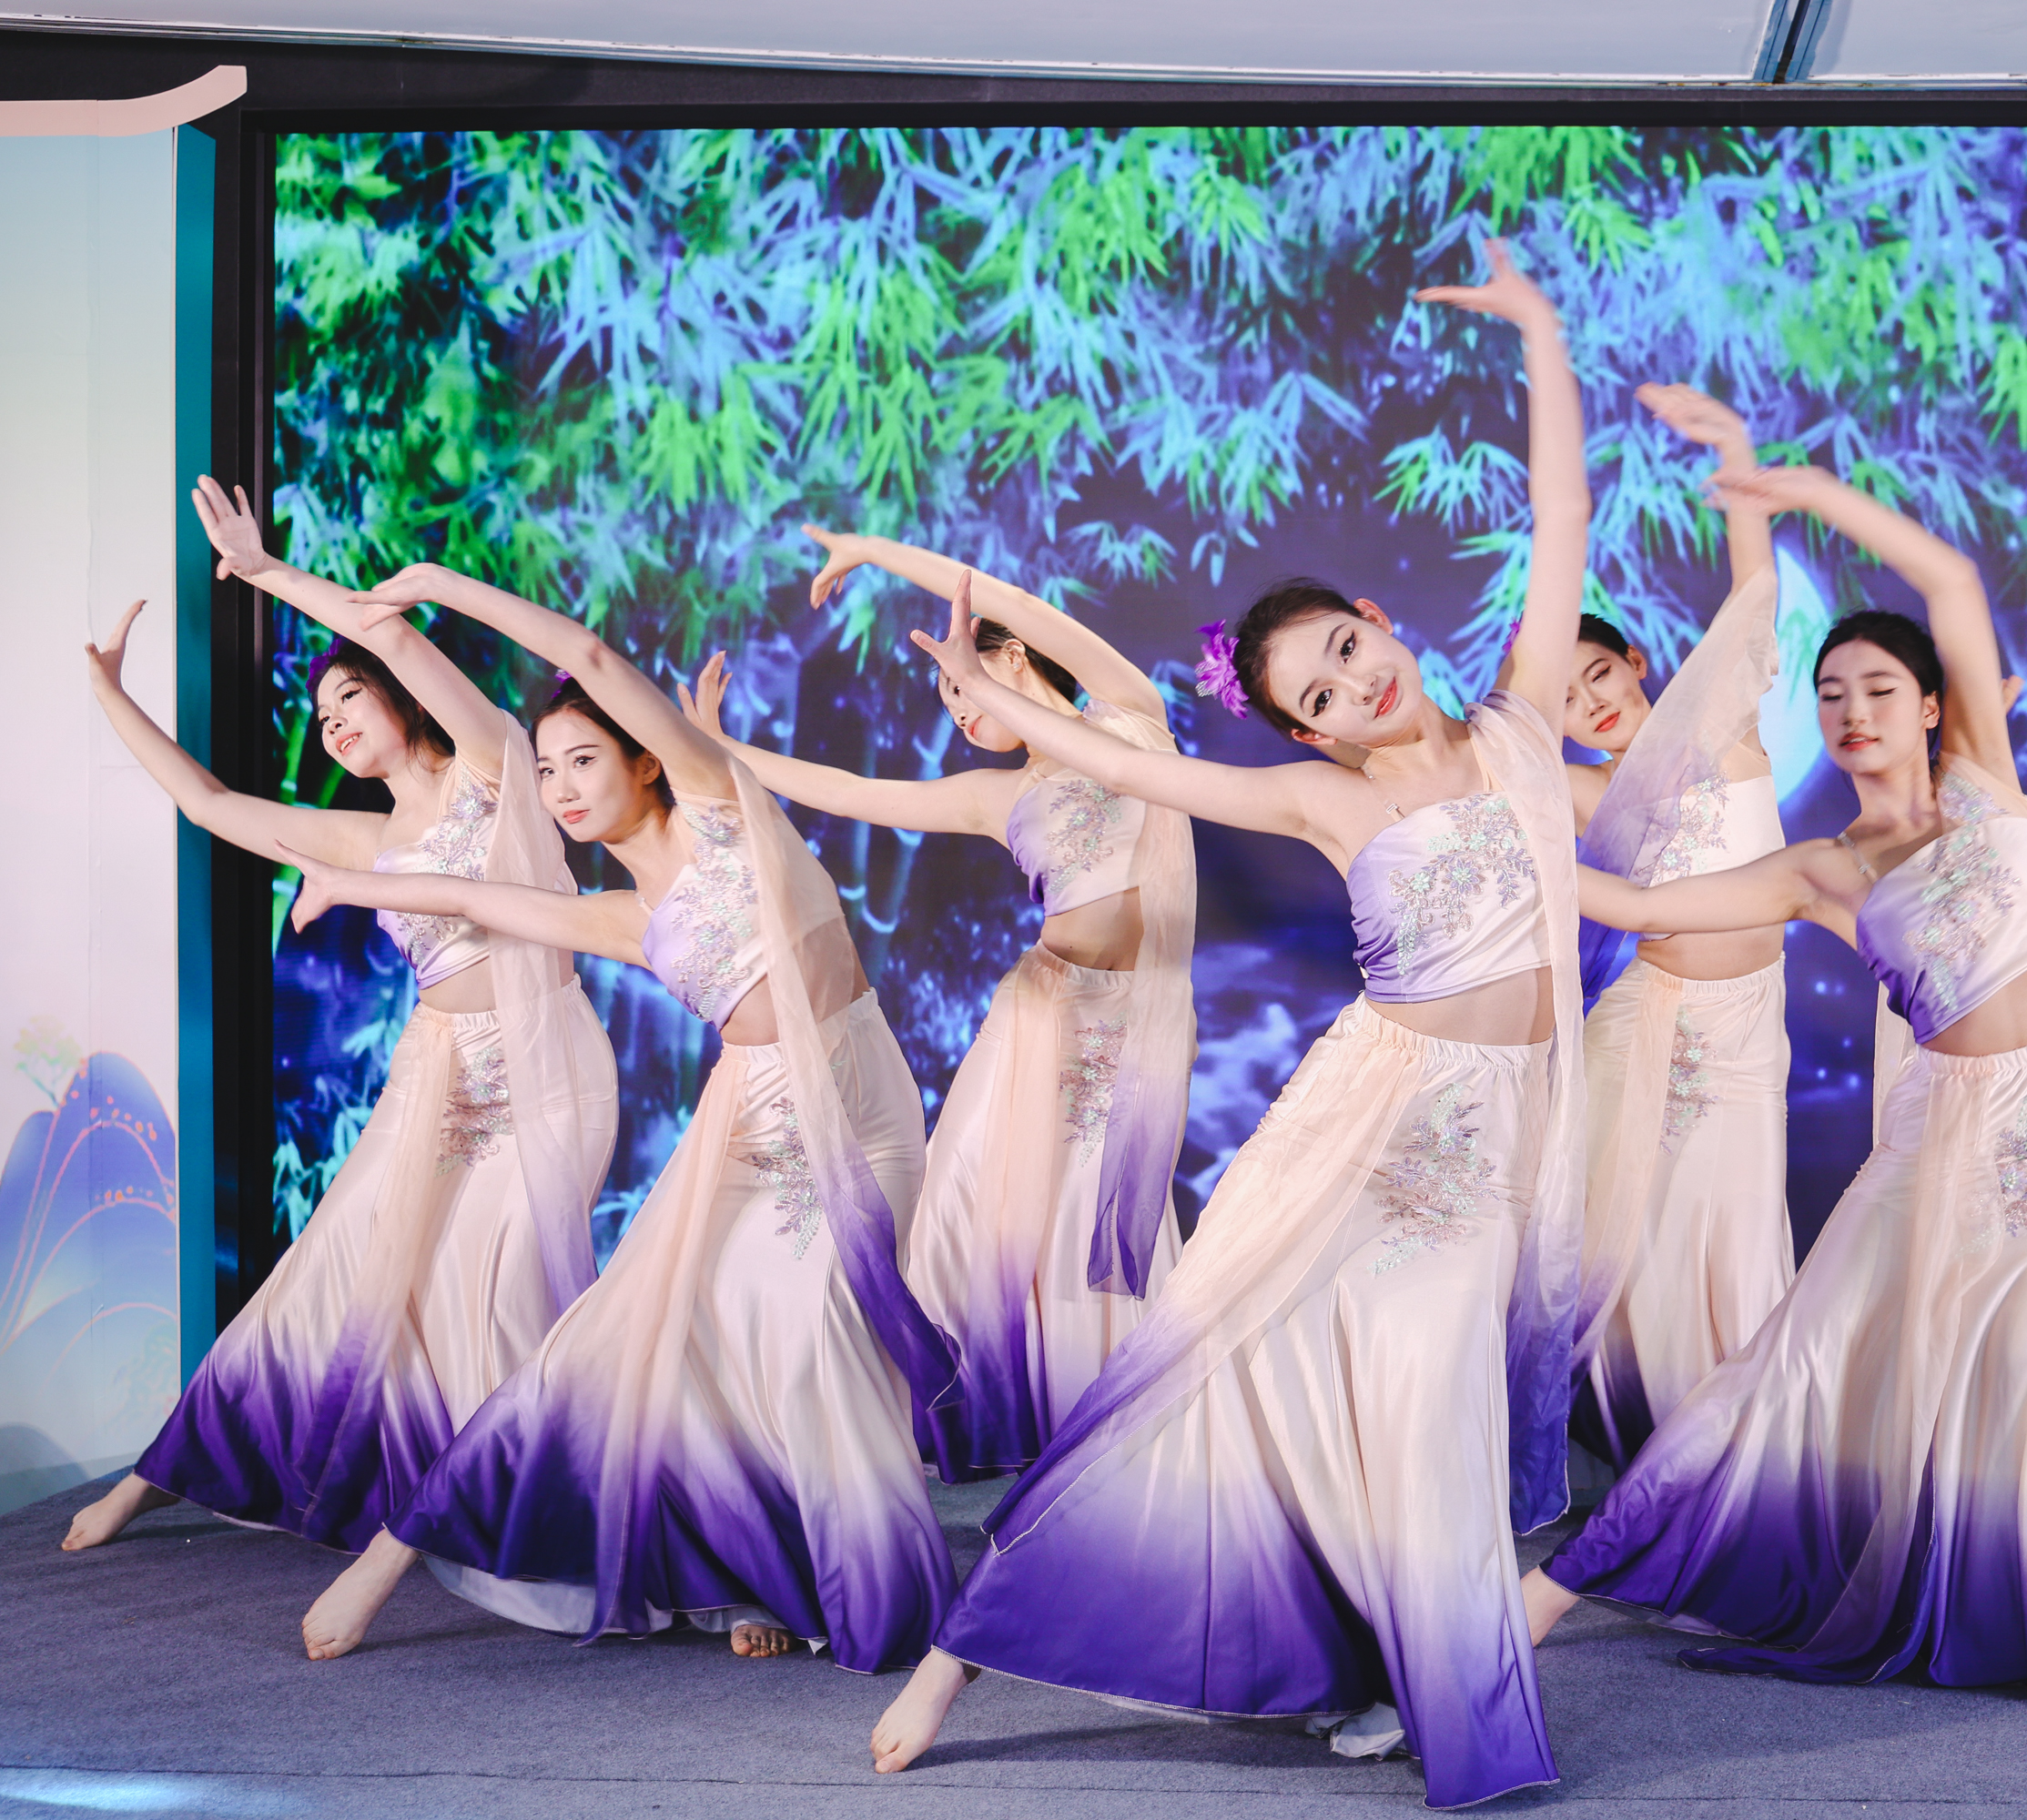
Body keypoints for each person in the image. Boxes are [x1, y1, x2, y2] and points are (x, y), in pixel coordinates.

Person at [865, 240, 1589, 1809]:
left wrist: (1537, 334)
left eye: (1347, 651)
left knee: (1420, 1408)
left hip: (1495, 1129)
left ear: (1381, 622)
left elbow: (1560, 526)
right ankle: (965, 1651)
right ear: (1307, 739)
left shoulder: (1519, 728)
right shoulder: (1324, 804)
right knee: (1199, 1365)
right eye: (1317, 697)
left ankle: (1392, 1676)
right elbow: (1139, 768)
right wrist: (1003, 701)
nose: (1352, 686)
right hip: (1369, 1121)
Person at [1524, 455, 2027, 1700]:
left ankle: (2007, 1606)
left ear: (1933, 706)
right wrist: (1489, 841)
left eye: (1879, 688)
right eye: (1831, 692)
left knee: (2022, 1362)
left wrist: (1800, 487)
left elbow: (1949, 578)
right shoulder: (1820, 867)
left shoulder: (1986, 788)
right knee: (1791, 1357)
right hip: (1932, 1132)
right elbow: (1628, 903)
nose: (1853, 709)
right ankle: (1539, 1600)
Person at [273, 561, 956, 1673]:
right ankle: (403, 1554)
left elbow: (586, 655)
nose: (559, 787)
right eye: (544, 771)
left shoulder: (723, 809)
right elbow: (468, 896)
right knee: (621, 1343)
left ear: (646, 757)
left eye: (582, 758)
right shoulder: (629, 918)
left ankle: (827, 1569)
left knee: (812, 1337)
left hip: (859, 1115)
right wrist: (351, 885)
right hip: (749, 1125)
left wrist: (441, 583)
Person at [64, 481, 617, 1628]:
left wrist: (268, 573)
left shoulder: (495, 765)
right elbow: (210, 804)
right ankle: (161, 1469)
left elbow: (391, 632)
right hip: (438, 1075)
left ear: (403, 700)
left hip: (548, 1069)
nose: (332, 723)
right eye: (319, 717)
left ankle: (506, 1514)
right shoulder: (365, 838)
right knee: (325, 1280)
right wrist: (110, 695)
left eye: (348, 698)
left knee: (502, 1295)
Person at [675, 528, 1191, 1479]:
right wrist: (725, 751)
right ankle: (918, 1424)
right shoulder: (995, 797)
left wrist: (872, 551)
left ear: (1010, 656)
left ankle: (1111, 1433)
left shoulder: (1130, 718)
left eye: (962, 684)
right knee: (969, 1222)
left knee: (1098, 1226)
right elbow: (849, 792)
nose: (956, 710)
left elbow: (1012, 602)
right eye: (947, 698)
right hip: (1040, 1020)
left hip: (1133, 1028)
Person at [1563, 383, 1792, 1474]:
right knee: (1640, 1242)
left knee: (1738, 1235)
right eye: (1567, 700)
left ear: (1636, 661)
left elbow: (1754, 596)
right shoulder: (1576, 791)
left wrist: (1737, 453)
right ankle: (1666, 1463)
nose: (1592, 703)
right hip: (1645, 1027)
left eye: (1598, 674)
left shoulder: (1722, 726)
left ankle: (1749, 1460)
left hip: (1745, 1028)